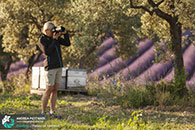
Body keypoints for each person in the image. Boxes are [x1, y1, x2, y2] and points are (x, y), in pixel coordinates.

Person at [37, 21, 71, 119]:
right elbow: (47, 52)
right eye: (52, 31)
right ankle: (43, 112)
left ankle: (52, 111)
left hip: (59, 66)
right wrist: (54, 40)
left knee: (55, 89)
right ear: (46, 30)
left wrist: (65, 33)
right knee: (48, 89)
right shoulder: (42, 40)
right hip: (50, 67)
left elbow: (67, 43)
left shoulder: (54, 37)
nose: (53, 32)